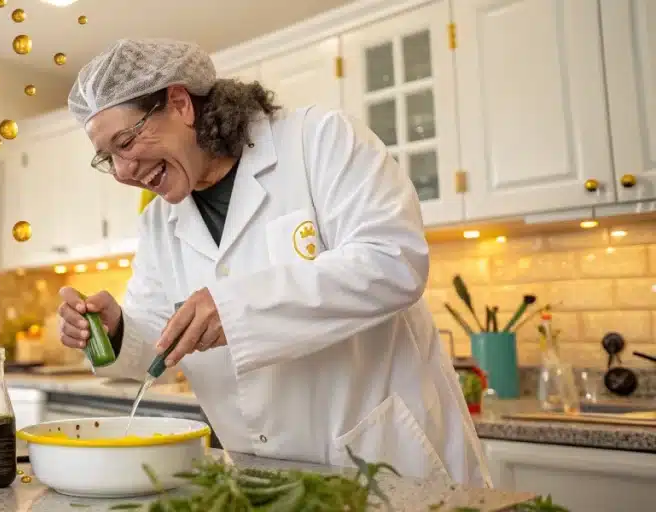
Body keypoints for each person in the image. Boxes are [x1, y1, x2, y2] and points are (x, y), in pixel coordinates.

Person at [56, 38, 491, 487]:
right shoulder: (159, 225)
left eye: (126, 142)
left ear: (180, 103)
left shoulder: (319, 140)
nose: (123, 171)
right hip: (267, 480)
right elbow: (160, 346)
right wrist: (116, 331)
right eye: (108, 158)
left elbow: (392, 261)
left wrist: (234, 308)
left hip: (385, 460)